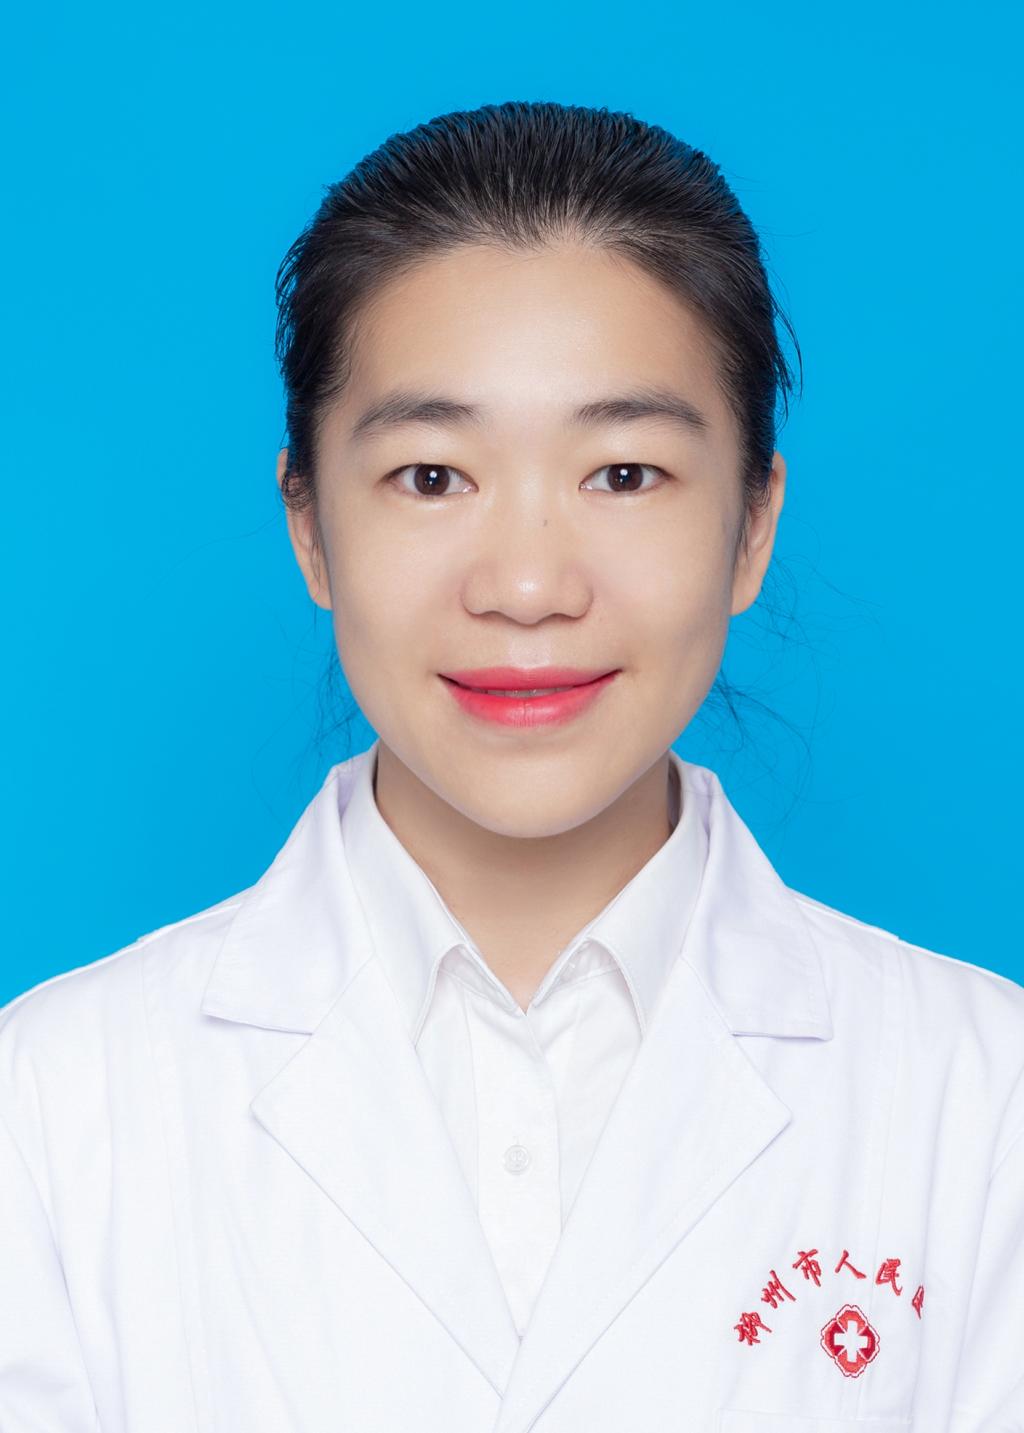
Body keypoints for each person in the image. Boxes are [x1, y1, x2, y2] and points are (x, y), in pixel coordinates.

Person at [1, 100, 1021, 1433]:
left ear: (753, 525)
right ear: (307, 524)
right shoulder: (51, 1108)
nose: (529, 585)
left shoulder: (983, 1100)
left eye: (625, 474)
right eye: (432, 476)